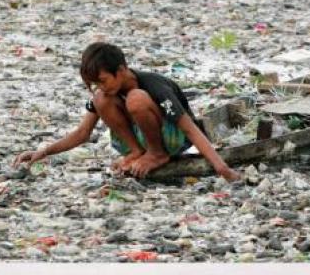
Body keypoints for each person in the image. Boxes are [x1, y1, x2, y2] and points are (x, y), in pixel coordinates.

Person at [15, 42, 240, 180]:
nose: (101, 87)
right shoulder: (106, 92)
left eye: (103, 80)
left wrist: (221, 167)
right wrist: (43, 152)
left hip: (173, 139)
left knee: (136, 99)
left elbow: (190, 129)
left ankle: (156, 154)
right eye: (96, 83)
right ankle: (136, 151)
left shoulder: (153, 85)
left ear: (121, 70)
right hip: (142, 139)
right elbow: (82, 133)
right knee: (101, 100)